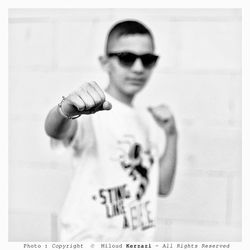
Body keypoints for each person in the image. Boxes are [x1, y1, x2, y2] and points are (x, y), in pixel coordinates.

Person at [45, 20, 177, 242]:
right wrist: (66, 108)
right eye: (126, 58)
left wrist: (172, 134)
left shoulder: (148, 119)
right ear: (105, 63)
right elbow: (55, 130)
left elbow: (161, 187)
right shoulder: (91, 109)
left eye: (148, 59)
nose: (138, 68)